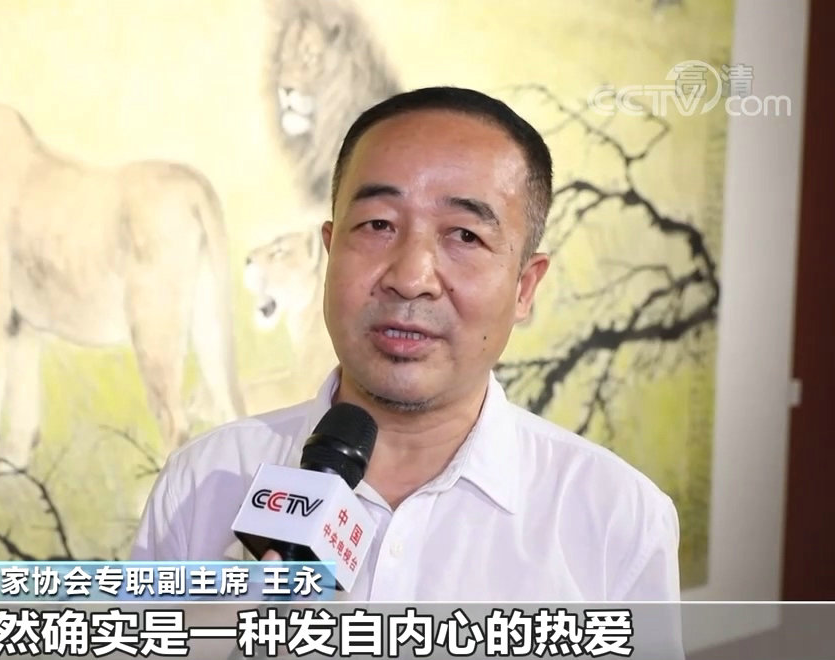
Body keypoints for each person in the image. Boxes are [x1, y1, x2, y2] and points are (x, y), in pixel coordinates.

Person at [130, 87, 681, 602]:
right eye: (377, 225)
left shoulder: (617, 520)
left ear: (524, 287)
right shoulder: (202, 483)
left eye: (465, 235)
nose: (411, 277)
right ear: (330, 253)